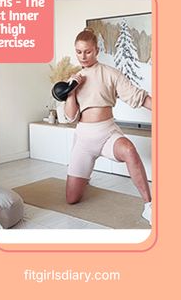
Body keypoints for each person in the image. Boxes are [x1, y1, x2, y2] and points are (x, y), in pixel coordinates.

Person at [64, 28, 152, 225]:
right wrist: (71, 91)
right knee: (71, 199)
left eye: (87, 51)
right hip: (84, 140)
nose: (83, 56)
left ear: (96, 50)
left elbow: (138, 96)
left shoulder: (110, 73)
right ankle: (85, 176)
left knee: (129, 150)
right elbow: (70, 117)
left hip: (107, 134)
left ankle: (149, 205)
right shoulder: (74, 78)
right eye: (79, 51)